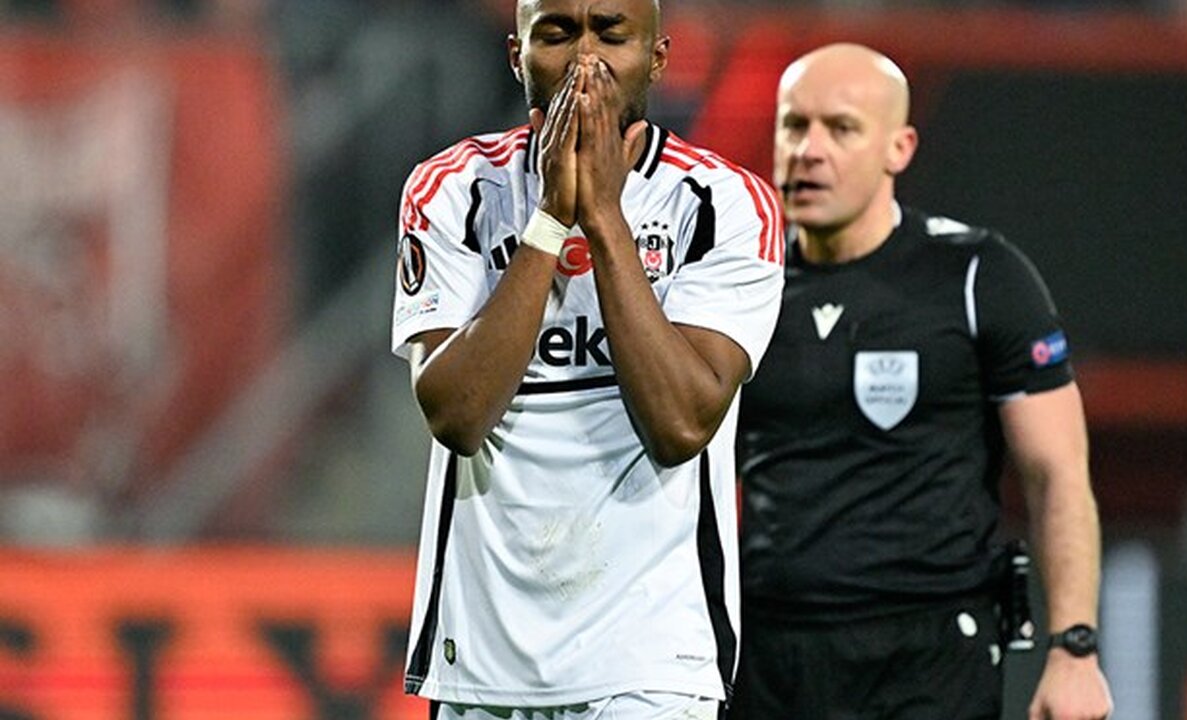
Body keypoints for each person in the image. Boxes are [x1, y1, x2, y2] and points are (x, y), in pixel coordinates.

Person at [388, 1, 785, 718]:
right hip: (483, 659)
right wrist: (549, 220)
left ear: (657, 58)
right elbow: (456, 416)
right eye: (557, 33)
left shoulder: (724, 205)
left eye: (610, 33)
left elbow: (681, 424)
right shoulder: (451, 189)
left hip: (650, 660)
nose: (585, 60)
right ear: (517, 56)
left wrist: (602, 216)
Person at [731, 43, 1113, 720]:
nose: (808, 150)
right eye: (794, 125)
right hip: (768, 654)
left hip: (930, 657)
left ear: (899, 148)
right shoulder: (736, 287)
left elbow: (1057, 475)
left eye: (841, 128)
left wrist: (1074, 649)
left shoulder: (977, 275)